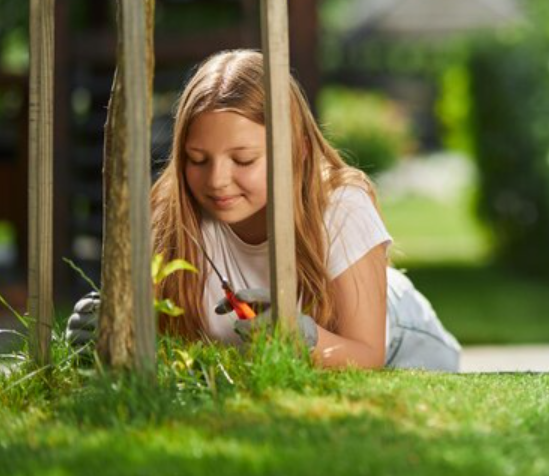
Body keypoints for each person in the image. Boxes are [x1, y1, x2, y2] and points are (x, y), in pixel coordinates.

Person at [67, 49, 460, 371]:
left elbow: (368, 356)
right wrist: (114, 329)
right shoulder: (170, 211)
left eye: (243, 159)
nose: (217, 179)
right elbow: (166, 347)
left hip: (403, 345)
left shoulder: (340, 205)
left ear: (297, 151)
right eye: (197, 159)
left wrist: (298, 336)